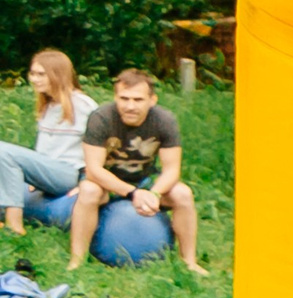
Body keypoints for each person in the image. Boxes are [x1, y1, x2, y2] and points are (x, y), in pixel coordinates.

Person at [73, 69, 206, 273]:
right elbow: (93, 170)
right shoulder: (101, 118)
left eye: (138, 99)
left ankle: (189, 262)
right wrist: (132, 193)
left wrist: (154, 194)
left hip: (144, 180)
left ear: (152, 100)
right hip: (105, 183)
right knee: (89, 190)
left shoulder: (164, 120)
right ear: (115, 97)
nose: (130, 106)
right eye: (124, 98)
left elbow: (172, 169)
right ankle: (77, 260)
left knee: (183, 194)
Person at [3, 50, 97, 238]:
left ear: (57, 75)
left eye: (41, 74)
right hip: (49, 172)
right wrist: (35, 176)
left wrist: (86, 181)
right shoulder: (48, 105)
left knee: (2, 151)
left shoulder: (83, 105)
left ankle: (14, 226)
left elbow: (101, 148)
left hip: (69, 173)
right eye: (33, 73)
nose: (34, 79)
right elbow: (44, 150)